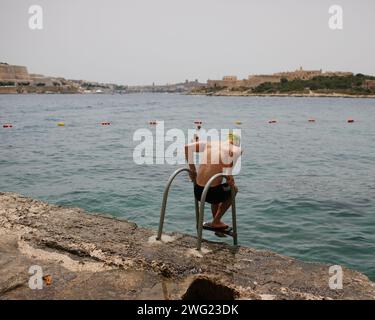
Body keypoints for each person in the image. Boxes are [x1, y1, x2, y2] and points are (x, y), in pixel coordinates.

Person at [184, 133, 242, 230]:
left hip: (198, 191)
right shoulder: (235, 150)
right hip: (212, 194)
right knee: (234, 189)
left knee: (216, 184)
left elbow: (187, 147)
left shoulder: (210, 143)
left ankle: (216, 223)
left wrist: (192, 170)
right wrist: (231, 180)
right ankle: (216, 221)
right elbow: (228, 175)